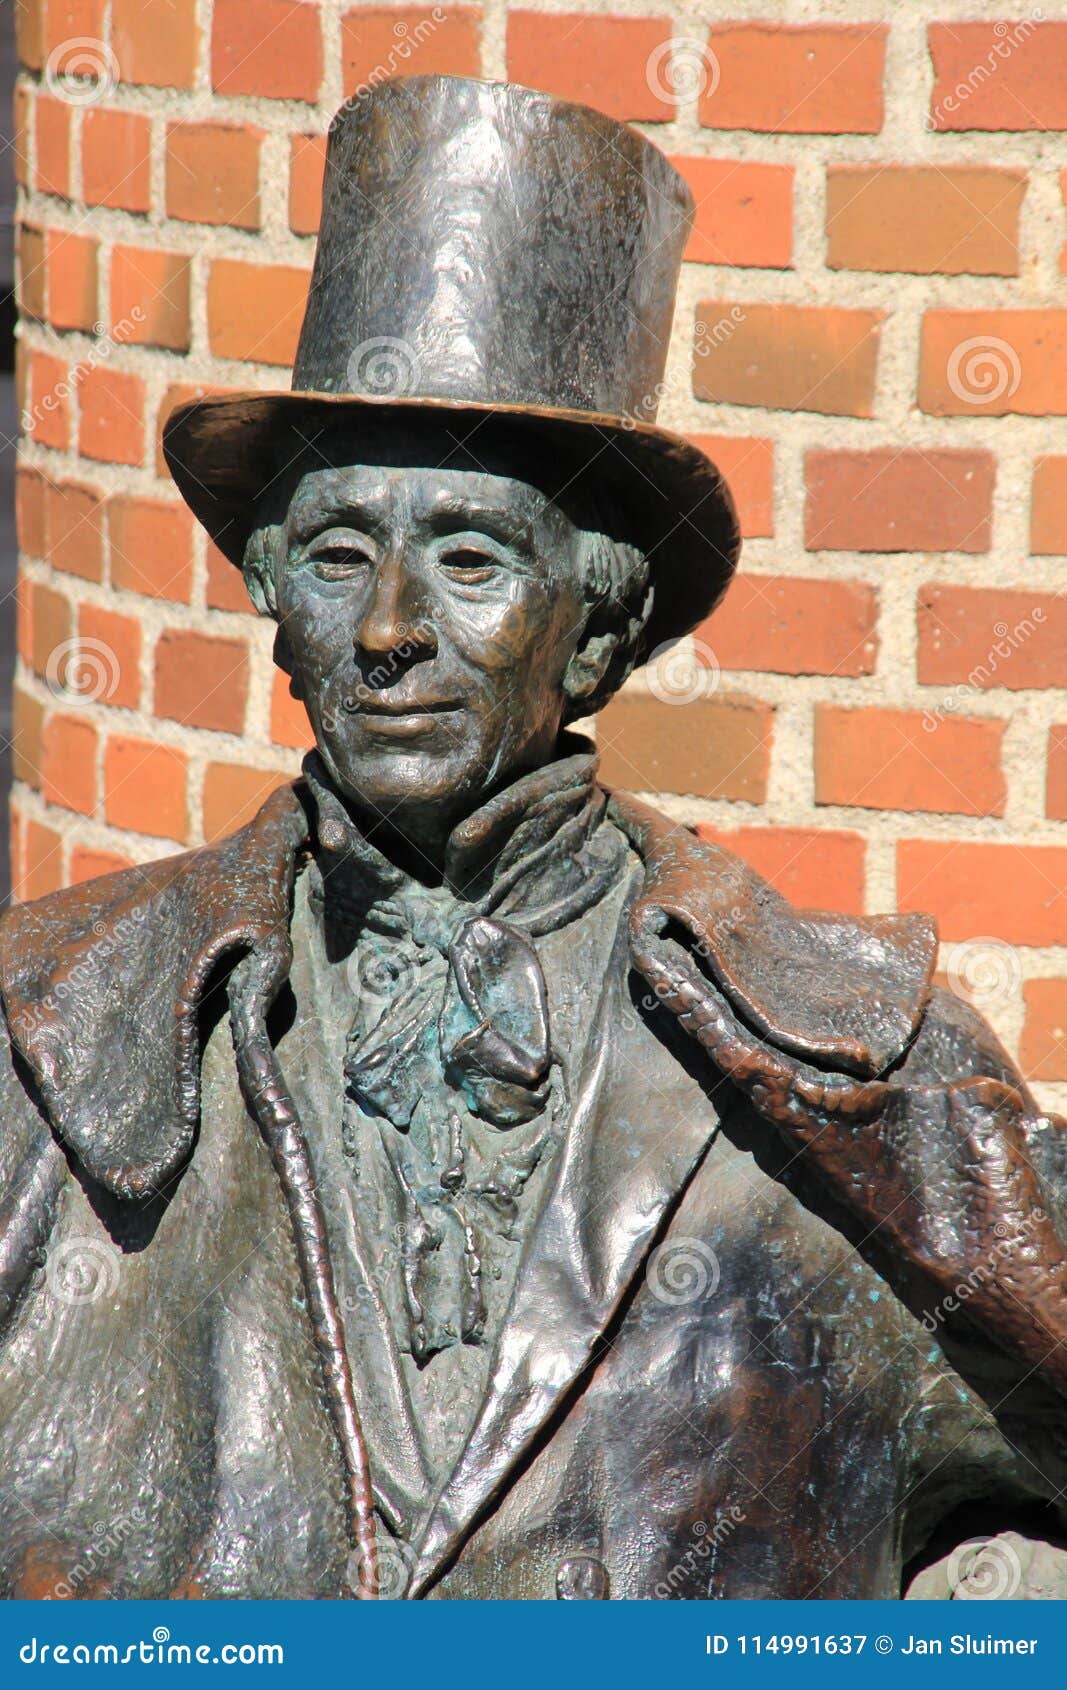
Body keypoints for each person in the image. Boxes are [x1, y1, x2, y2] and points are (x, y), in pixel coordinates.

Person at [0, 75, 1065, 1602]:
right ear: (273, 605)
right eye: (339, 551)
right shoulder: (53, 1035)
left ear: (600, 627)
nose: (386, 629)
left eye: (472, 557)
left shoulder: (849, 1083)